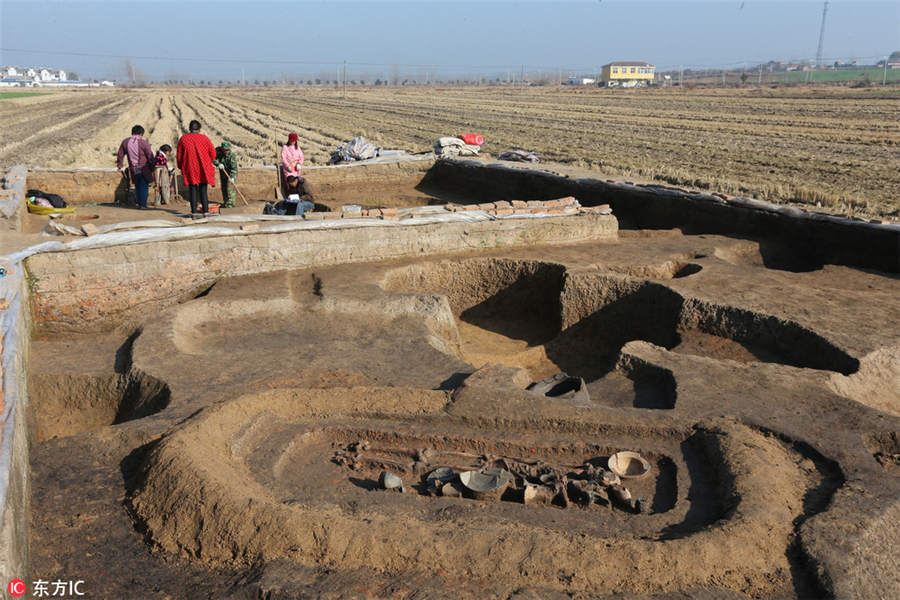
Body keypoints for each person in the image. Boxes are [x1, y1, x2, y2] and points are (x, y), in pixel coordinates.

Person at [177, 120, 216, 216]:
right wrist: (207, 161)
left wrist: (181, 166)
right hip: (203, 167)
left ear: (189, 129)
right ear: (199, 129)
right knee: (203, 189)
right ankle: (206, 211)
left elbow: (179, 155)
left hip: (190, 167)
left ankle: (194, 212)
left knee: (192, 189)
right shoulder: (205, 139)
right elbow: (213, 153)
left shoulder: (183, 139)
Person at [116, 125, 155, 209]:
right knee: (144, 186)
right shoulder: (143, 142)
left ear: (132, 132)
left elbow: (120, 154)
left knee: (137, 185)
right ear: (141, 133)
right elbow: (150, 156)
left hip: (133, 169)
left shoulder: (125, 142)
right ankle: (143, 205)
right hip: (143, 168)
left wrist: (120, 164)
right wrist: (152, 167)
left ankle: (140, 203)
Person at [213, 141, 238, 208]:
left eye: (227, 150)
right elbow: (212, 158)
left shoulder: (232, 156)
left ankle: (230, 204)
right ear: (222, 149)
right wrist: (218, 164)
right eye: (224, 150)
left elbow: (234, 168)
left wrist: (232, 178)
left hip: (231, 172)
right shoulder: (218, 151)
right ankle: (226, 202)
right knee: (224, 187)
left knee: (230, 188)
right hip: (223, 171)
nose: (226, 151)